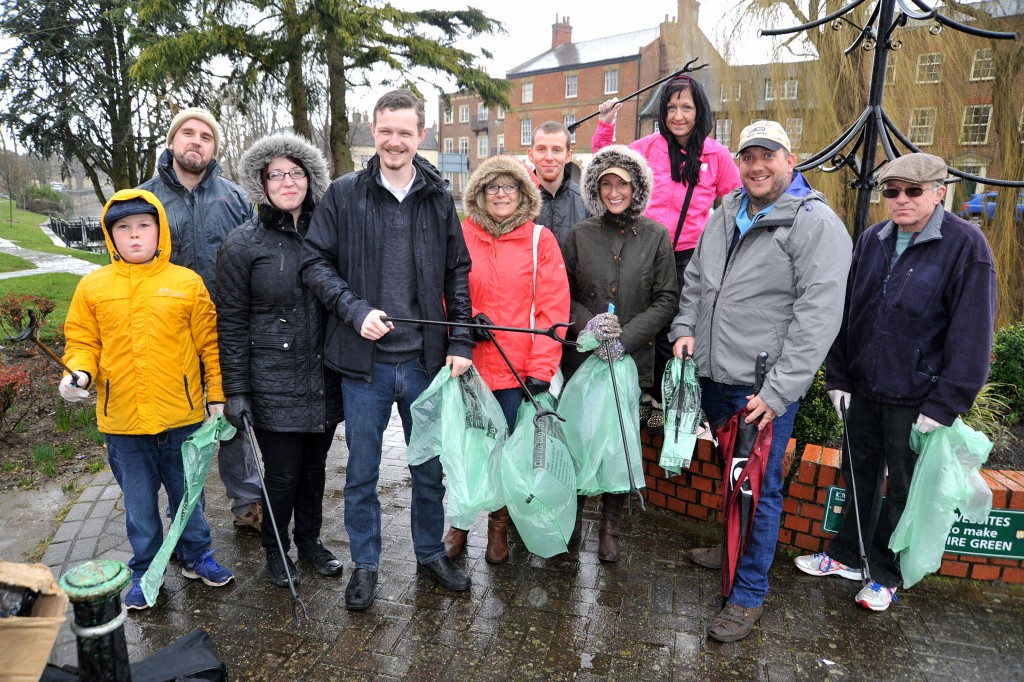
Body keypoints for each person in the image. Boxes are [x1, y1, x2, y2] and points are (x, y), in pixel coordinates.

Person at [670, 121, 851, 642]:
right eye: (748, 155)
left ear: (790, 161)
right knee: (733, 471)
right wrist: (684, 328)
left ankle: (747, 593)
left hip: (760, 386)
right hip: (713, 372)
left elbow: (818, 316)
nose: (756, 165)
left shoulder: (814, 223)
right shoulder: (727, 211)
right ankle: (731, 546)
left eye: (767, 155)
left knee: (760, 487)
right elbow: (698, 281)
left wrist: (778, 392)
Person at [795, 152, 997, 612]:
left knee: (904, 490)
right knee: (860, 474)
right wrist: (838, 376)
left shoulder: (966, 246)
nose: (900, 200)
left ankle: (887, 574)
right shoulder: (873, 239)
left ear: (939, 192)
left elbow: (972, 333)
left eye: (912, 191)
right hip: (864, 388)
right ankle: (847, 556)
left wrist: (945, 402)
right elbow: (848, 312)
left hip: (918, 397)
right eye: (891, 191)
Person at [301, 89, 474, 610]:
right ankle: (367, 564)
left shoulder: (439, 197)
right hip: (364, 366)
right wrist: (355, 311)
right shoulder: (344, 194)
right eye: (385, 130)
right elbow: (314, 263)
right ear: (373, 132)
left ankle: (428, 553)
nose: (394, 140)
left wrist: (460, 339)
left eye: (405, 131)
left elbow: (457, 273)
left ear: (420, 135)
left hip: (425, 361)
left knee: (428, 468)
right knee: (361, 473)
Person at [60, 189, 234, 611]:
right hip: (123, 424)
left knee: (188, 496)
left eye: (143, 226)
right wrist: (79, 372)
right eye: (123, 228)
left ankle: (197, 555)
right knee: (139, 507)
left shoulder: (186, 283)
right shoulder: (93, 287)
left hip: (183, 419)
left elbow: (210, 344)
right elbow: (83, 341)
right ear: (110, 235)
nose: (134, 236)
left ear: (160, 232)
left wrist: (217, 396)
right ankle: (144, 569)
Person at [215, 133, 345, 588]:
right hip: (272, 379)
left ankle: (309, 541)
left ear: (311, 179)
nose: (288, 182)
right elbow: (230, 322)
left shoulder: (329, 232)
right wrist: (236, 390)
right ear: (262, 183)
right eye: (277, 175)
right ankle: (276, 546)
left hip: (324, 375)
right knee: (283, 474)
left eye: (296, 173)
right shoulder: (243, 244)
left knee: (315, 470)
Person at [139, 108, 263, 531]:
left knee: (233, 412)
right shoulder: (145, 200)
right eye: (187, 133)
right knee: (178, 426)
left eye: (206, 136)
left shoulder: (236, 199)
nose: (196, 141)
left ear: (214, 148)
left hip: (227, 329)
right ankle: (186, 514)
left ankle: (247, 502)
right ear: (172, 142)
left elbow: (255, 261)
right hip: (166, 335)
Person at [442, 155, 570, 564]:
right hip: (470, 365)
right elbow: (444, 291)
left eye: (509, 186)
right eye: (492, 186)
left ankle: (498, 525)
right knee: (465, 450)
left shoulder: (540, 240)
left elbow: (553, 308)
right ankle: (460, 521)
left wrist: (542, 369)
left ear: (523, 194)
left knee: (504, 454)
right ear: (480, 192)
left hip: (517, 369)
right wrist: (459, 325)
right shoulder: (461, 234)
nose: (500, 194)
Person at [595, 75, 740, 432]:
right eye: (671, 107)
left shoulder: (715, 155)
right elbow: (604, 166)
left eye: (686, 107)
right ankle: (641, 395)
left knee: (674, 327)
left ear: (699, 111)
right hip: (643, 250)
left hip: (688, 256)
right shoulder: (647, 147)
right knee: (639, 321)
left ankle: (666, 399)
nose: (678, 115)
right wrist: (605, 125)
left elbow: (737, 201)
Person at [561, 144, 678, 562]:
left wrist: (625, 338)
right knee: (577, 438)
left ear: (637, 188)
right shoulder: (578, 236)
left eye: (622, 184)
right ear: (595, 188)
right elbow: (562, 295)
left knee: (618, 443)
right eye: (606, 183)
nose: (614, 191)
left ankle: (609, 527)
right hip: (582, 361)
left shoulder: (655, 236)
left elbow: (666, 299)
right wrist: (587, 325)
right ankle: (572, 519)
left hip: (629, 362)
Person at [528, 121, 590, 245]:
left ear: (568, 155)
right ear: (531, 154)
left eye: (557, 150)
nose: (549, 157)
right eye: (541, 149)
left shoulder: (586, 203)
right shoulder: (516, 201)